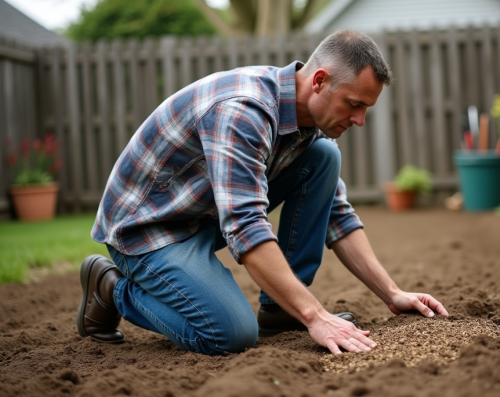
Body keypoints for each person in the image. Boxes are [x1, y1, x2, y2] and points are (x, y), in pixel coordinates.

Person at [76, 30, 449, 356]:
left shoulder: (308, 126)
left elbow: (336, 215)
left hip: (201, 216)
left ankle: (281, 309)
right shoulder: (244, 111)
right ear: (319, 81)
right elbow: (245, 225)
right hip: (148, 230)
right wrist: (317, 317)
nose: (359, 120)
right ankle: (111, 288)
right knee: (229, 334)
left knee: (324, 157)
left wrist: (392, 293)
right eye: (354, 104)